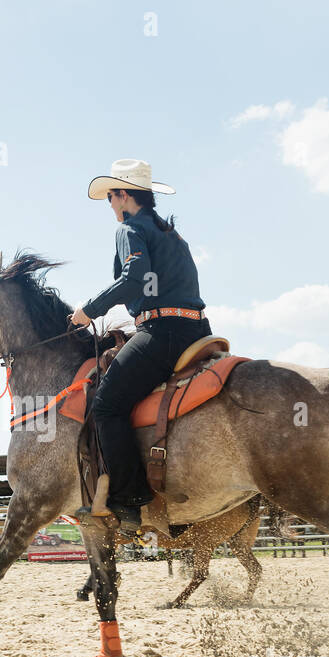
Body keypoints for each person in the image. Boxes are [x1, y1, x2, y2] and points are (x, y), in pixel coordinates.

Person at [70, 159, 212, 535]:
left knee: (107, 406)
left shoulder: (131, 228)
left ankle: (130, 500)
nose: (110, 205)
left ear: (123, 195)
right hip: (199, 330)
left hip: (163, 331)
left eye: (111, 197)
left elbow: (133, 279)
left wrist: (89, 311)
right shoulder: (171, 234)